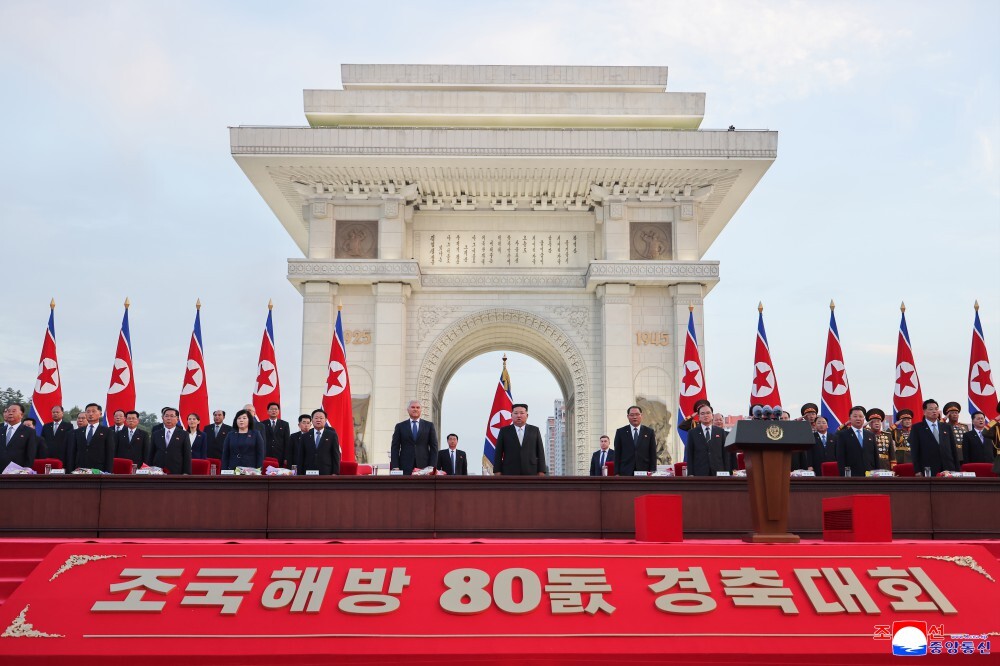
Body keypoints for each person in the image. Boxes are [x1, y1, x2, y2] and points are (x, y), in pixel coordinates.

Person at [493, 403, 547, 476]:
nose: (519, 416)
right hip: (509, 471)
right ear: (511, 415)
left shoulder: (534, 430)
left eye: (522, 413)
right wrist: (497, 470)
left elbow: (540, 452)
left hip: (531, 471)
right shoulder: (504, 431)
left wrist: (541, 470)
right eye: (516, 413)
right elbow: (498, 452)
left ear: (527, 415)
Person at [908, 399, 958, 477]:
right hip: (928, 468)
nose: (934, 411)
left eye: (936, 409)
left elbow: (953, 449)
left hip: (948, 468)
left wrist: (957, 468)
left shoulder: (946, 427)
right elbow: (915, 451)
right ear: (924, 412)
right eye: (931, 409)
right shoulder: (917, 428)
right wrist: (917, 470)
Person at [390, 399, 439, 475]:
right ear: (408, 410)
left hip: (424, 466)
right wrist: (395, 466)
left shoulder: (429, 426)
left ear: (421, 410)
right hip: (405, 466)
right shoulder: (400, 426)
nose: (415, 409)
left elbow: (434, 447)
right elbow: (395, 447)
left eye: (418, 407)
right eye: (413, 407)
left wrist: (432, 466)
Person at [684, 402, 730, 476]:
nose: (706, 415)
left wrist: (727, 472)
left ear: (712, 415)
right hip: (699, 473)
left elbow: (725, 454)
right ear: (699, 417)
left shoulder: (720, 432)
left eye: (708, 413)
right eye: (702, 413)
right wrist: (690, 473)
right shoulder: (692, 433)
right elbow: (690, 454)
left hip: (718, 472)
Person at [613, 405, 657, 476]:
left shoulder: (649, 432)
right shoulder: (620, 432)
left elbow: (653, 453)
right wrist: (616, 472)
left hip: (644, 471)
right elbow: (617, 454)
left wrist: (653, 471)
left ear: (641, 415)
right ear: (628, 416)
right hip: (625, 471)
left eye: (637, 414)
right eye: (632, 415)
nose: (634, 417)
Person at [145, 407, 191, 475]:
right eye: (166, 416)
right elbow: (151, 454)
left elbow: (187, 455)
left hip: (176, 470)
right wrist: (148, 469)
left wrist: (186, 472)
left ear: (177, 419)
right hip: (157, 471)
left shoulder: (184, 434)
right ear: (163, 418)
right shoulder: (156, 434)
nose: (169, 418)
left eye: (172, 416)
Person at [70, 403, 114, 472]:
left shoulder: (107, 431)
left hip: (99, 470)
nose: (90, 414)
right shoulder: (78, 431)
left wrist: (108, 472)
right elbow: (73, 452)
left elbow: (109, 453)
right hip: (80, 469)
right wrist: (71, 470)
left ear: (100, 414)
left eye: (93, 411)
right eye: (88, 412)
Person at [835, 405, 876, 476]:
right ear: (850, 419)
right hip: (851, 475)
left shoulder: (870, 434)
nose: (858, 418)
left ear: (864, 418)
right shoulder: (843, 435)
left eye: (860, 416)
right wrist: (844, 475)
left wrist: (876, 473)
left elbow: (875, 456)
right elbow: (840, 458)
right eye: (855, 416)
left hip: (869, 474)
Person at [299, 409, 340, 475]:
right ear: (312, 420)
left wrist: (335, 472)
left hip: (326, 471)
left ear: (325, 420)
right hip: (308, 472)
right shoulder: (305, 436)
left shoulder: (332, 435)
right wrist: (300, 474)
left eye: (321, 418)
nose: (318, 420)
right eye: (316, 418)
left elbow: (336, 455)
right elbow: (301, 456)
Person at [1, 403, 38, 470]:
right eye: (8, 411)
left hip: (18, 471)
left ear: (22, 415)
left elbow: (30, 454)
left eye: (14, 411)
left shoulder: (29, 432)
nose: (10, 413)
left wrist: (25, 470)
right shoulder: (1, 430)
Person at [262, 402, 290, 466]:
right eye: (271, 409)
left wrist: (286, 457)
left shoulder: (284, 424)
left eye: (275, 409)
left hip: (280, 456)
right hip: (266, 456)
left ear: (278, 411)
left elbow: (287, 442)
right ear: (268, 411)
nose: (274, 411)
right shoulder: (262, 424)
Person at [942, 402, 968, 466]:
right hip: (952, 454)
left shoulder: (964, 426)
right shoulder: (945, 426)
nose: (954, 414)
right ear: (948, 415)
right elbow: (938, 425)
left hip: (965, 454)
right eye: (952, 413)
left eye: (956, 413)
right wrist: (945, 418)